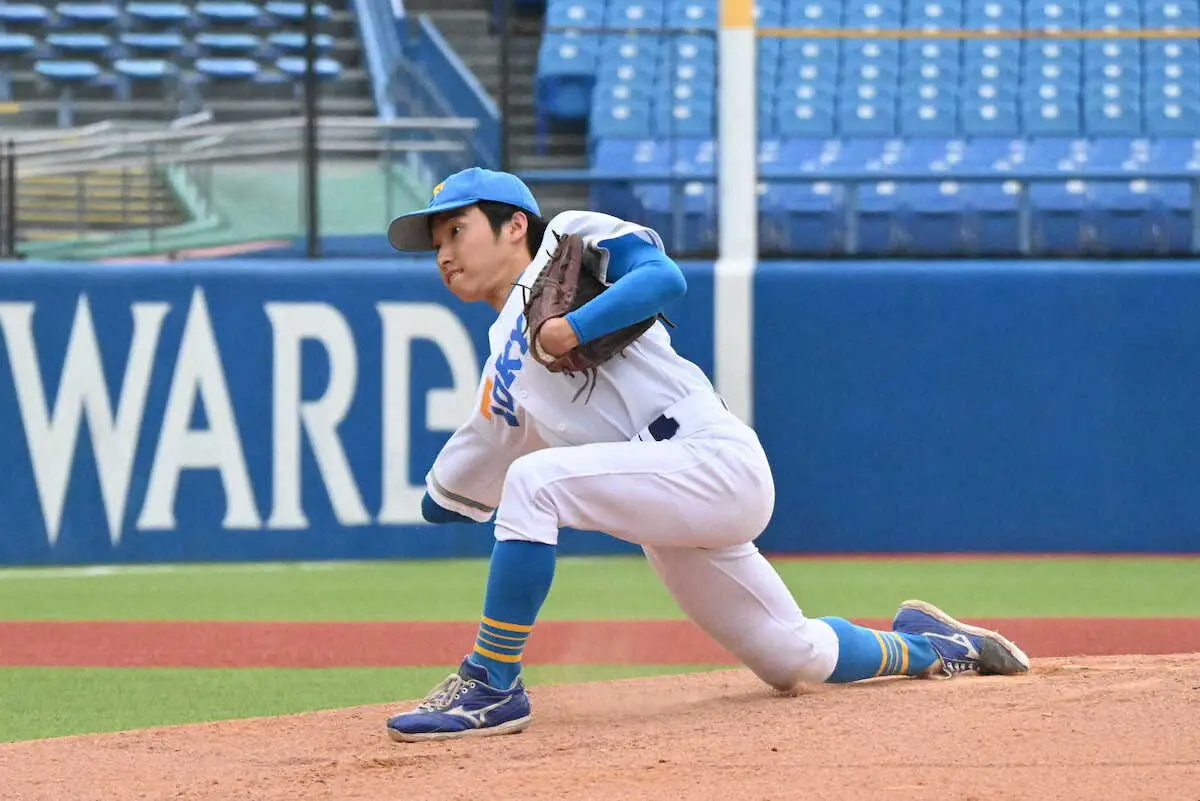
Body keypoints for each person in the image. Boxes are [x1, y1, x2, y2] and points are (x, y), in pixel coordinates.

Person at [383, 167, 1030, 743]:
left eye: (455, 230)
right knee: (790, 656)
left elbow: (664, 277)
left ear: (514, 224)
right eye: (434, 242)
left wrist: (575, 326)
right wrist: (434, 501)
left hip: (706, 454)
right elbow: (453, 489)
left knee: (535, 483)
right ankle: (930, 643)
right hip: (662, 507)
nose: (443, 252)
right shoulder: (501, 368)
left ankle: (492, 681)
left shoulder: (567, 241)